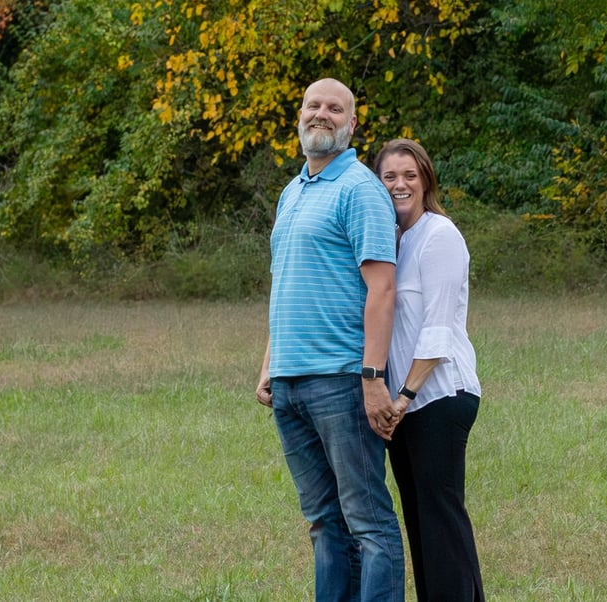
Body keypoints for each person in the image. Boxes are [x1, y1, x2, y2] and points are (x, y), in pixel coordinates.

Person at [255, 79, 405, 601]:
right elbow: (287, 281)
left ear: (352, 124)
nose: (322, 114)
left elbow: (382, 289)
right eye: (313, 106)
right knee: (323, 522)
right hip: (290, 382)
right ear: (300, 116)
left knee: (367, 521)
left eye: (335, 108)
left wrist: (372, 378)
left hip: (341, 381)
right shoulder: (292, 191)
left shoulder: (360, 189)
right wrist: (270, 361)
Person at [374, 139, 485, 601]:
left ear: (426, 181)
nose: (399, 184)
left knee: (440, 519)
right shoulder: (393, 242)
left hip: (438, 396)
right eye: (389, 177)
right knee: (421, 520)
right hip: (405, 405)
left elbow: (438, 329)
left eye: (409, 175)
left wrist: (403, 396)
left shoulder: (440, 235)